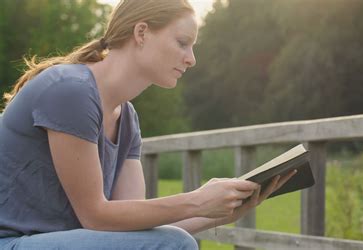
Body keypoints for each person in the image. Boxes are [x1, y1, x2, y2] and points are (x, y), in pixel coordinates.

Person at [0, 0, 296, 249]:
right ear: (141, 32)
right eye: (183, 43)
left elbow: (131, 227)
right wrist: (196, 200)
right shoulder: (70, 89)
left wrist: (219, 213)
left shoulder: (127, 119)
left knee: (171, 241)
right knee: (175, 244)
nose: (192, 59)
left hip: (52, 241)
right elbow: (95, 216)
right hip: (13, 241)